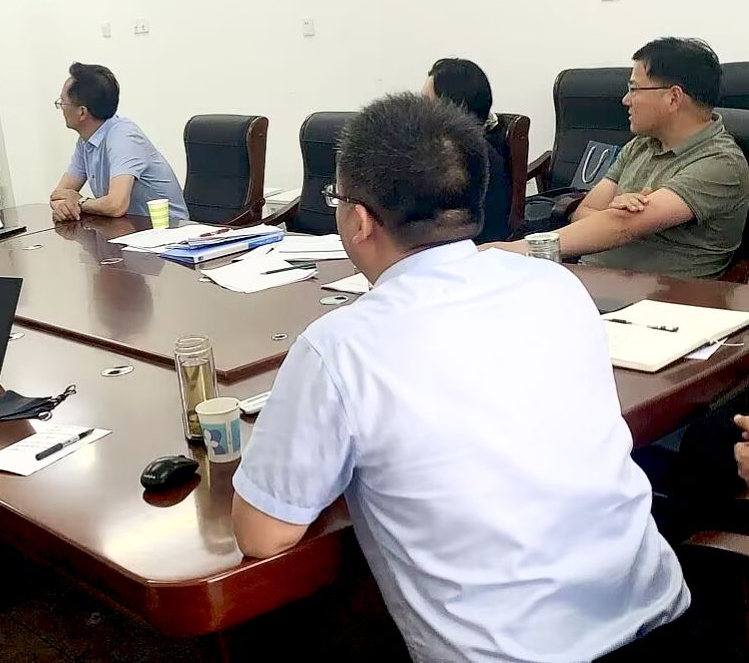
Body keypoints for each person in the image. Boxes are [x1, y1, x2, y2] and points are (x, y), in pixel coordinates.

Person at [231, 93, 689, 661]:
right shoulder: (554, 285)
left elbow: (263, 534)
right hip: (662, 622)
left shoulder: (341, 347)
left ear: (359, 219)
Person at [487, 38, 749, 277]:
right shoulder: (641, 145)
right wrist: (613, 214)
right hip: (595, 280)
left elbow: (622, 226)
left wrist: (505, 250)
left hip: (664, 297)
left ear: (673, 97)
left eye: (634, 89)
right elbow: (584, 212)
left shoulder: (720, 163)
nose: (625, 100)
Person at [49, 62, 187, 222]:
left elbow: (116, 205)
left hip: (168, 230)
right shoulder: (85, 141)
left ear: (82, 112)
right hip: (128, 229)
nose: (61, 107)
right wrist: (64, 206)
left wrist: (79, 202)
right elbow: (58, 195)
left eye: (62, 102)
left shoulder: (123, 136)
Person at [423, 58, 513, 242]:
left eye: (427, 102)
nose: (419, 111)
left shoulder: (467, 157)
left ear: (453, 107)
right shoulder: (467, 148)